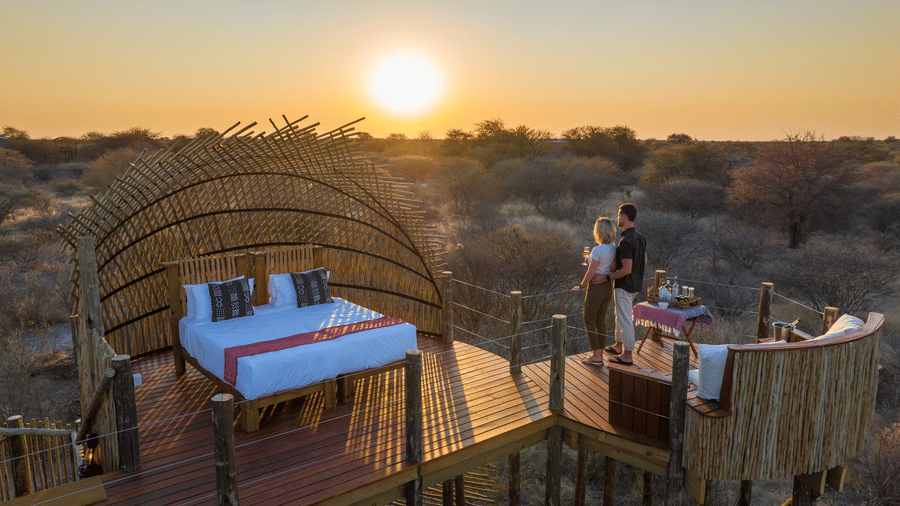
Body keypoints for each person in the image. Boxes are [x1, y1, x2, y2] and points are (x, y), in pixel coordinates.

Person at [593, 203, 646, 365]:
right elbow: (644, 261)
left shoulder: (625, 241)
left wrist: (607, 277)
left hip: (625, 285)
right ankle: (618, 345)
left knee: (624, 318)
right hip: (635, 284)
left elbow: (626, 269)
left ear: (624, 217)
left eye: (618, 216)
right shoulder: (640, 237)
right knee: (620, 315)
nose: (617, 218)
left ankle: (627, 354)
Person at [571, 217, 616, 366]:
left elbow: (591, 272)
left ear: (599, 231)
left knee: (589, 319)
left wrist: (580, 286)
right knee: (600, 320)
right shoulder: (613, 247)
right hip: (607, 286)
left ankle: (596, 356)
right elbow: (611, 267)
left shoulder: (597, 250)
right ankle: (600, 354)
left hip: (596, 287)